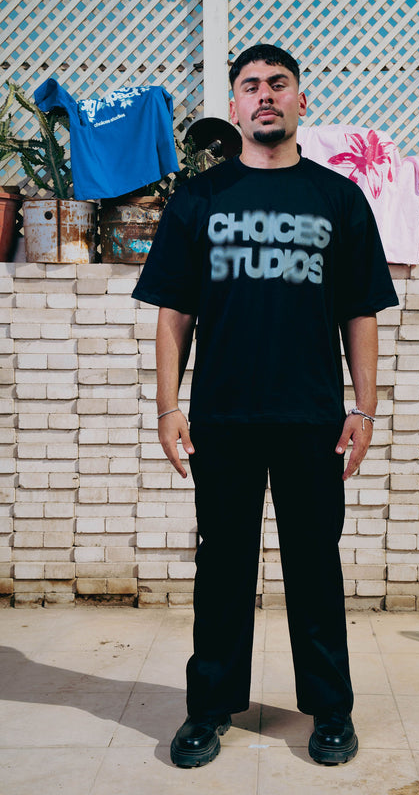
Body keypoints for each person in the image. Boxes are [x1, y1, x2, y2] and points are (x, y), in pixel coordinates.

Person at [132, 43, 399, 768]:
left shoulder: (337, 198)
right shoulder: (200, 197)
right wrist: (167, 407)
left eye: (278, 83)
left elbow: (360, 310)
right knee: (222, 567)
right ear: (235, 106)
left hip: (312, 417)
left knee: (315, 566)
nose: (265, 95)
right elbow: (174, 311)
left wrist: (364, 407)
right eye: (250, 85)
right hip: (223, 417)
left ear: (300, 100)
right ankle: (208, 709)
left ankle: (331, 710)